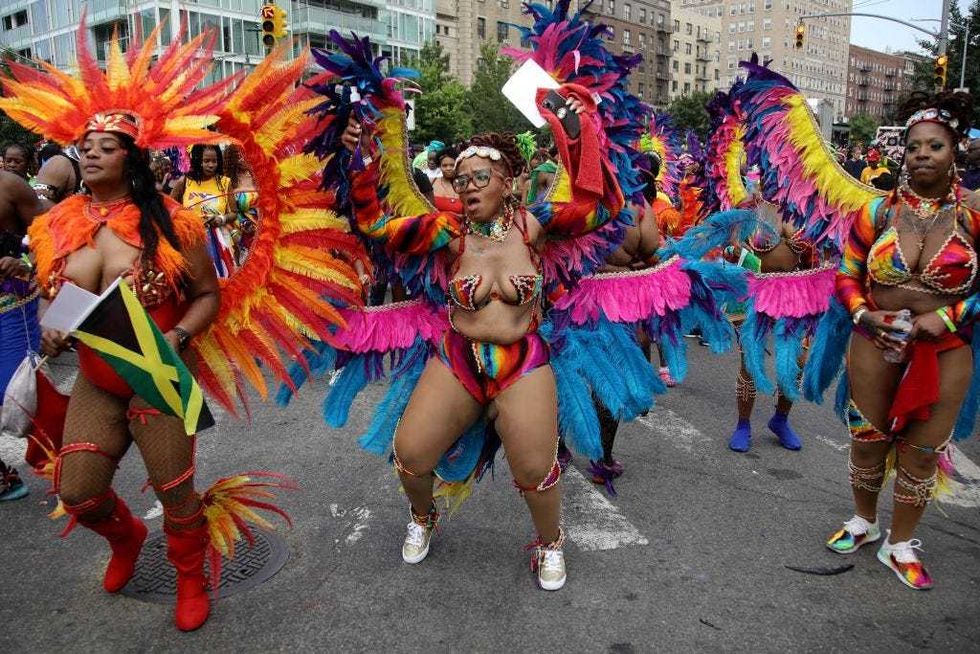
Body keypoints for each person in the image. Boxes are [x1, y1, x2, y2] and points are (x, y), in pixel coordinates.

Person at [825, 92, 979, 590]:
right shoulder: (876, 212)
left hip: (944, 352)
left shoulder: (974, 218)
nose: (923, 155)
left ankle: (900, 544)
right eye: (914, 147)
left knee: (920, 453)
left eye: (935, 145)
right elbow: (847, 272)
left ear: (954, 151)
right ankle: (865, 522)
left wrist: (952, 318)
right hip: (874, 343)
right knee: (867, 439)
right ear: (903, 154)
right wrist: (864, 314)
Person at [0, 169, 45, 501]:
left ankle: (77, 467)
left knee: (19, 394)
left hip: (12, 308)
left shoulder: (9, 185)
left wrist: (26, 263)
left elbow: (56, 235)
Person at [171, 145, 236, 277]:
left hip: (220, 242)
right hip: (192, 241)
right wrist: (186, 221)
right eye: (206, 161)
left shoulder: (224, 182)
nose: (211, 165)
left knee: (224, 279)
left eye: (214, 161)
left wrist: (221, 219)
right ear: (197, 160)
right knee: (199, 278)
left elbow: (234, 213)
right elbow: (169, 208)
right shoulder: (185, 182)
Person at [431, 146, 462, 214]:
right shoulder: (432, 182)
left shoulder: (464, 184)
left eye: (452, 165)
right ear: (439, 166)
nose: (448, 168)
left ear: (457, 165)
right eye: (444, 165)